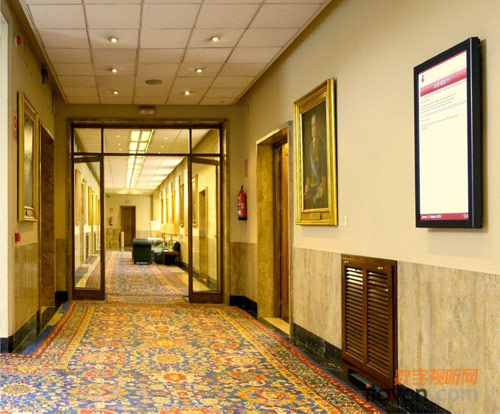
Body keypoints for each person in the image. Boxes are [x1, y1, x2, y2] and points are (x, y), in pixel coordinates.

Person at [304, 113, 327, 209]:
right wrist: (307, 183)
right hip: (312, 185)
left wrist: (323, 183)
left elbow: (323, 164)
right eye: (312, 126)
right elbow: (309, 166)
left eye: (315, 125)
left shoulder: (320, 143)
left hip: (319, 184)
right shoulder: (310, 145)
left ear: (317, 127)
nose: (313, 128)